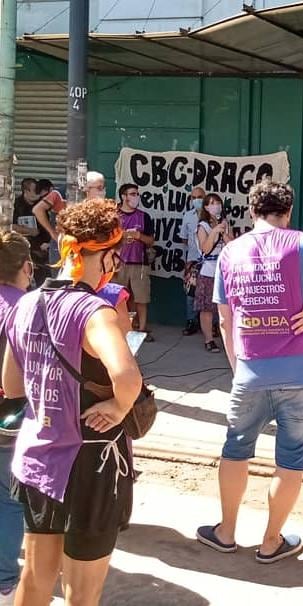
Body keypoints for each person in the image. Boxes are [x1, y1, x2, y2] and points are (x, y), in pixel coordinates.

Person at [196, 180, 303, 563]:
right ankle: (271, 541)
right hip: (302, 376)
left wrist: (238, 369)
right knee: (291, 460)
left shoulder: (231, 251)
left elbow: (224, 320)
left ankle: (226, 531)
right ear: (289, 211)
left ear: (252, 211)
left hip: (250, 373)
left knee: (235, 450)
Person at [1, 198, 142, 606]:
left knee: (35, 578)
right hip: (91, 464)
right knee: (81, 591)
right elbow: (127, 377)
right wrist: (118, 408)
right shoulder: (95, 311)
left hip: (39, 456)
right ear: (109, 255)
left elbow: (11, 385)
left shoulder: (26, 304)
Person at [0, 231, 31, 605]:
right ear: (26, 266)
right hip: (9, 419)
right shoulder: (25, 308)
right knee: (9, 501)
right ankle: (5, 585)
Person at [113, 183, 155, 340]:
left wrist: (139, 236)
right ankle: (122, 328)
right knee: (119, 298)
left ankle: (142, 329)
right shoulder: (113, 215)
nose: (136, 197)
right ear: (123, 196)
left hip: (139, 263)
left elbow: (151, 241)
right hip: (117, 263)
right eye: (132, 194)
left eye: (137, 194)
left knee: (141, 298)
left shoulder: (144, 217)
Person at [195, 193, 233, 353]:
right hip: (208, 270)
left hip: (225, 269)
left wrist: (223, 232)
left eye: (217, 203)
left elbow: (232, 245)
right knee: (207, 307)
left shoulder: (225, 223)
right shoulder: (202, 226)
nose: (215, 206)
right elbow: (205, 248)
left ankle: (227, 338)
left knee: (226, 306)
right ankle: (209, 339)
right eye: (211, 203)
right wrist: (214, 231)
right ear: (206, 207)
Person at [11, 179, 50, 285]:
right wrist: (29, 231)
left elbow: (47, 226)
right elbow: (10, 225)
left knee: (43, 278)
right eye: (35, 190)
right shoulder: (16, 205)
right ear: (26, 191)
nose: (38, 193)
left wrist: (47, 242)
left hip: (40, 249)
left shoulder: (41, 205)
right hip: (22, 249)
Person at [179, 187, 205, 336]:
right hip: (193, 260)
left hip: (210, 261)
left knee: (210, 293)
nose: (197, 200)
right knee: (191, 293)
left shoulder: (214, 216)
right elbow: (184, 238)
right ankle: (191, 322)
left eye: (200, 197)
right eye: (194, 197)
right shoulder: (188, 216)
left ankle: (213, 324)